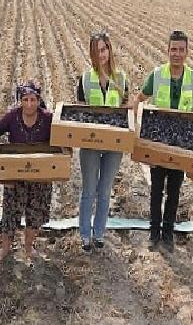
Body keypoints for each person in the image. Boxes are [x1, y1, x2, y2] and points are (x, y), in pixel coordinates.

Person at [131, 30, 193, 253]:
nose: (177, 54)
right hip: (157, 144)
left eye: (181, 50)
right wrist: (135, 126)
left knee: (174, 190)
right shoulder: (157, 74)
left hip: (181, 147)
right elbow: (139, 98)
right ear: (167, 51)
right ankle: (154, 233)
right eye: (173, 49)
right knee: (156, 189)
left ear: (187, 52)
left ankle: (168, 234)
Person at [0, 81, 53, 264]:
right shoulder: (13, 117)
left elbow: (62, 135)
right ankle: (5, 248)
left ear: (39, 100)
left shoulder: (47, 118)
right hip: (15, 175)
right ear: (20, 100)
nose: (29, 104)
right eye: (25, 100)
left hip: (40, 174)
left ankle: (29, 247)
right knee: (10, 213)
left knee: (35, 212)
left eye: (33, 100)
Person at [77, 31, 128, 253]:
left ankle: (99, 234)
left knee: (105, 189)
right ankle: (85, 235)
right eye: (96, 51)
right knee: (89, 189)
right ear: (92, 53)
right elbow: (78, 110)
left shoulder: (121, 79)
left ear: (109, 50)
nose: (101, 55)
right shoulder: (85, 79)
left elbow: (126, 109)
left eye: (104, 49)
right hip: (90, 142)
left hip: (114, 145)